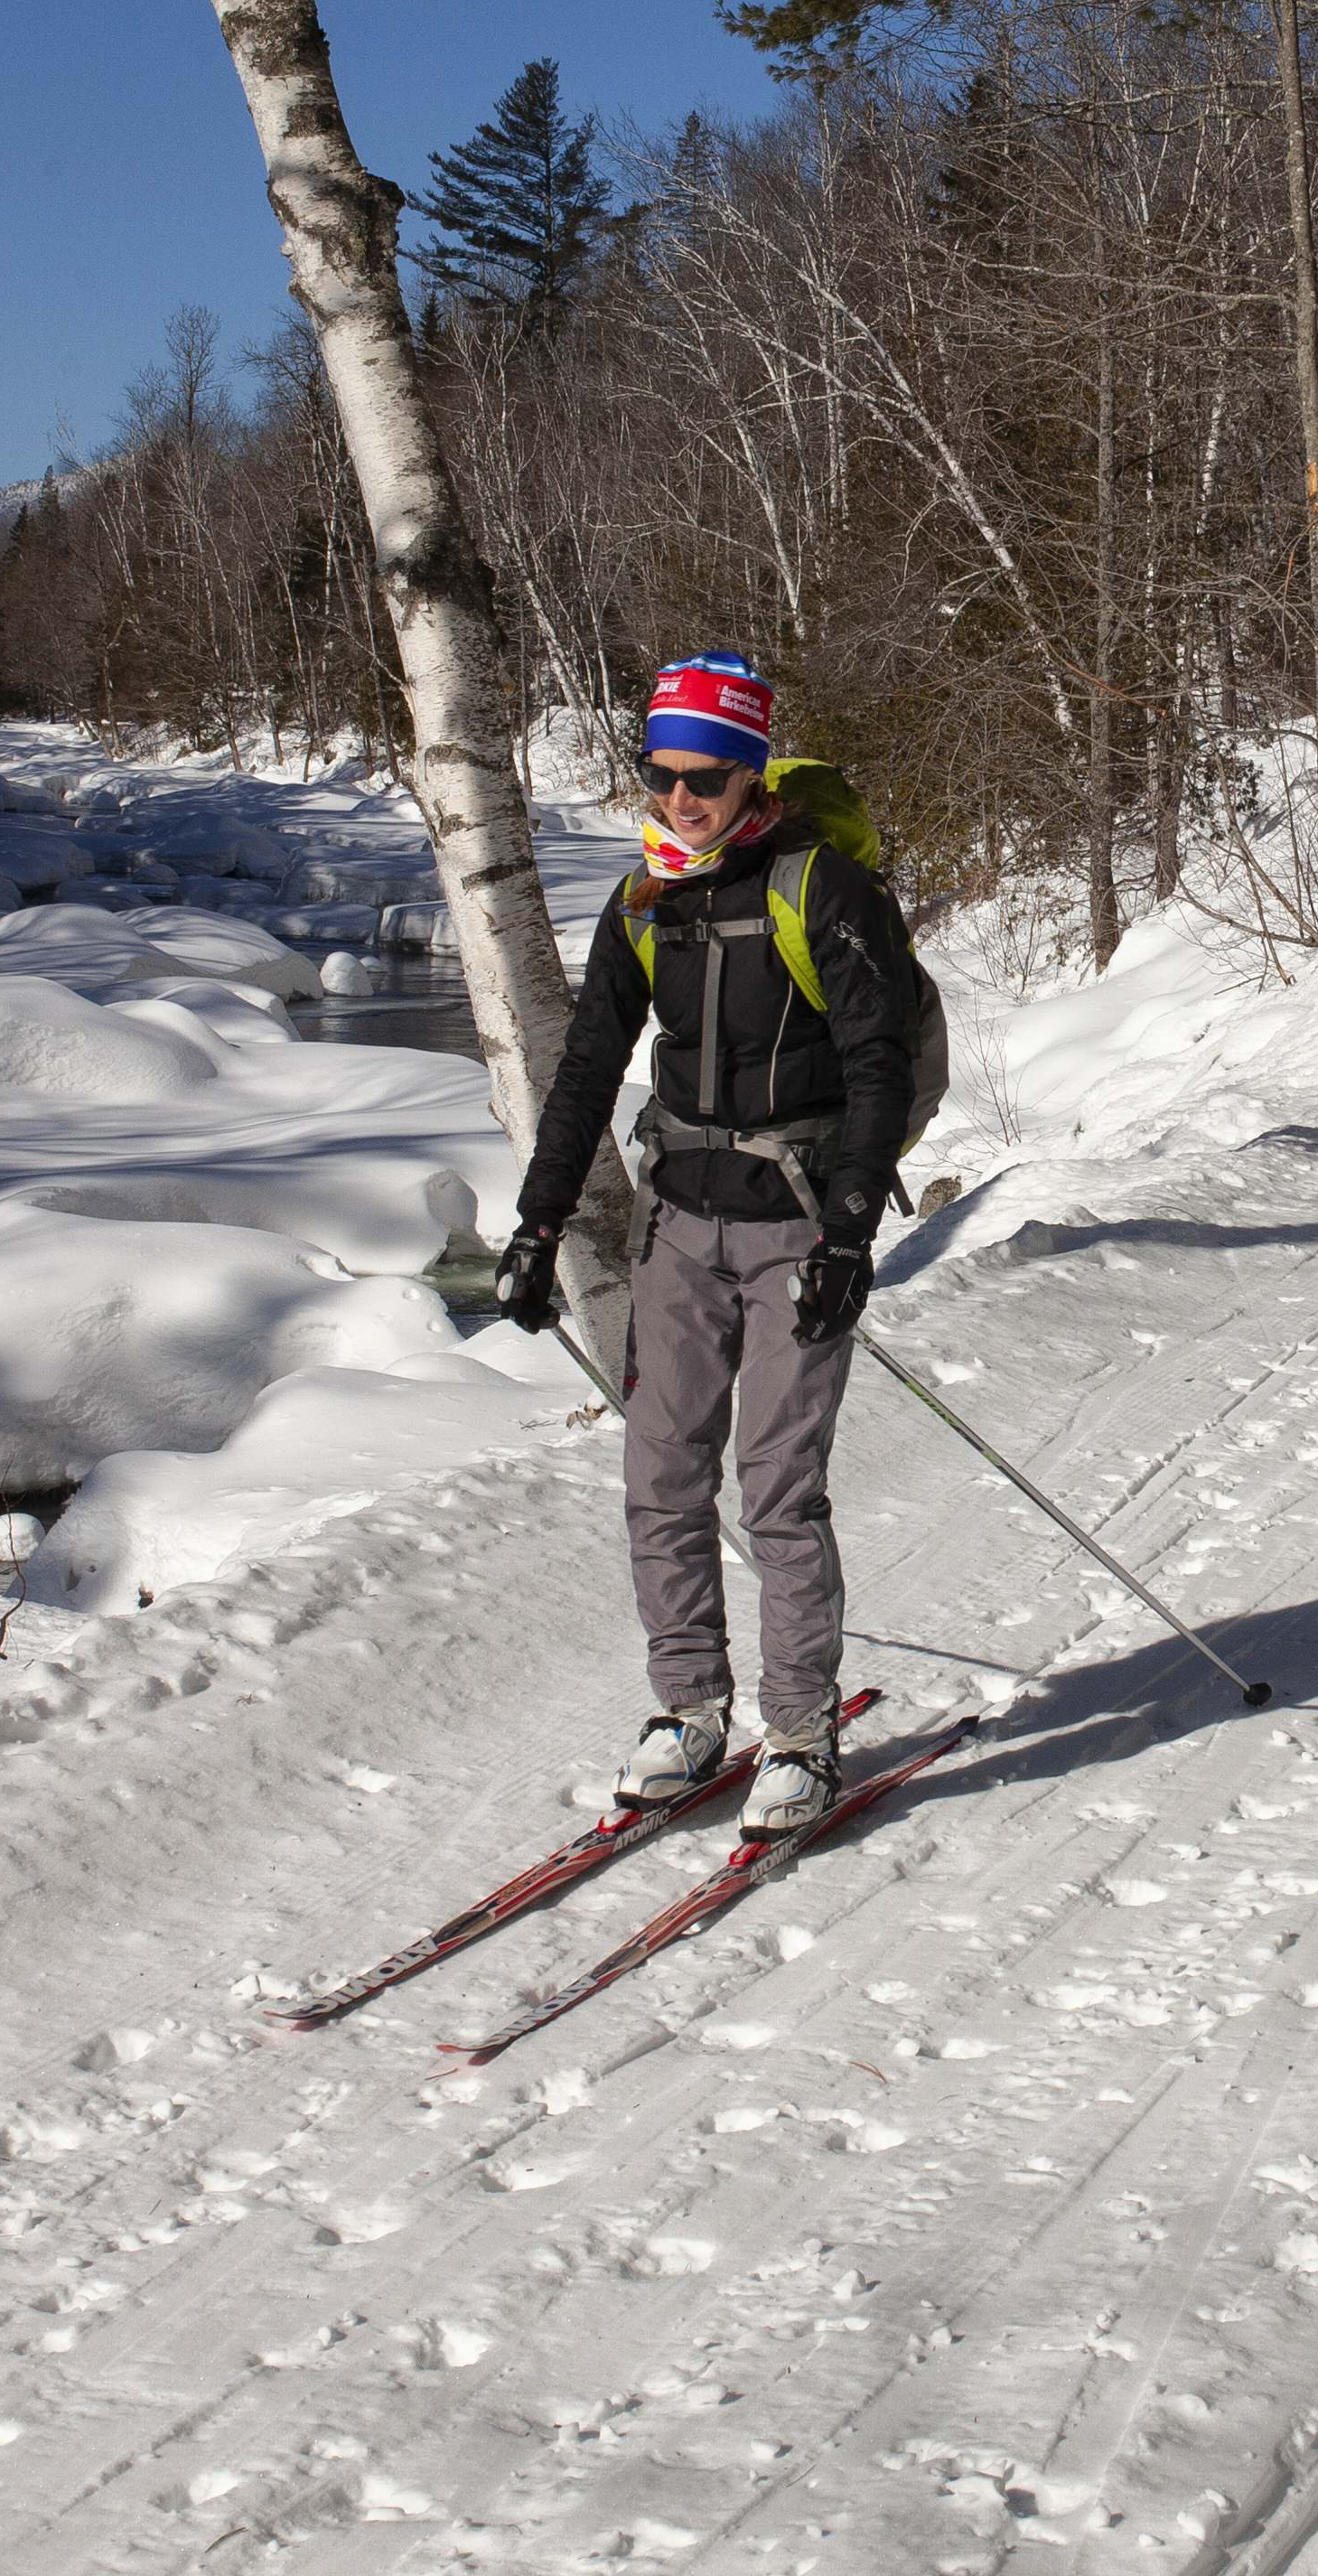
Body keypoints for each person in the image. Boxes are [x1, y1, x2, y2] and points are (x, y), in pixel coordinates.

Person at [490, 654, 918, 1834]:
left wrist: (847, 1231)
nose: (680, 799)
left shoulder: (824, 890)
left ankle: (798, 1731)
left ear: (751, 773)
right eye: (661, 773)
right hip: (680, 1220)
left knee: (778, 1485)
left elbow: (879, 1068)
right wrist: (538, 1220)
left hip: (796, 1221)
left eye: (706, 777)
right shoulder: (644, 901)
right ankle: (687, 1709)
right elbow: (584, 1067)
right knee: (659, 1469)